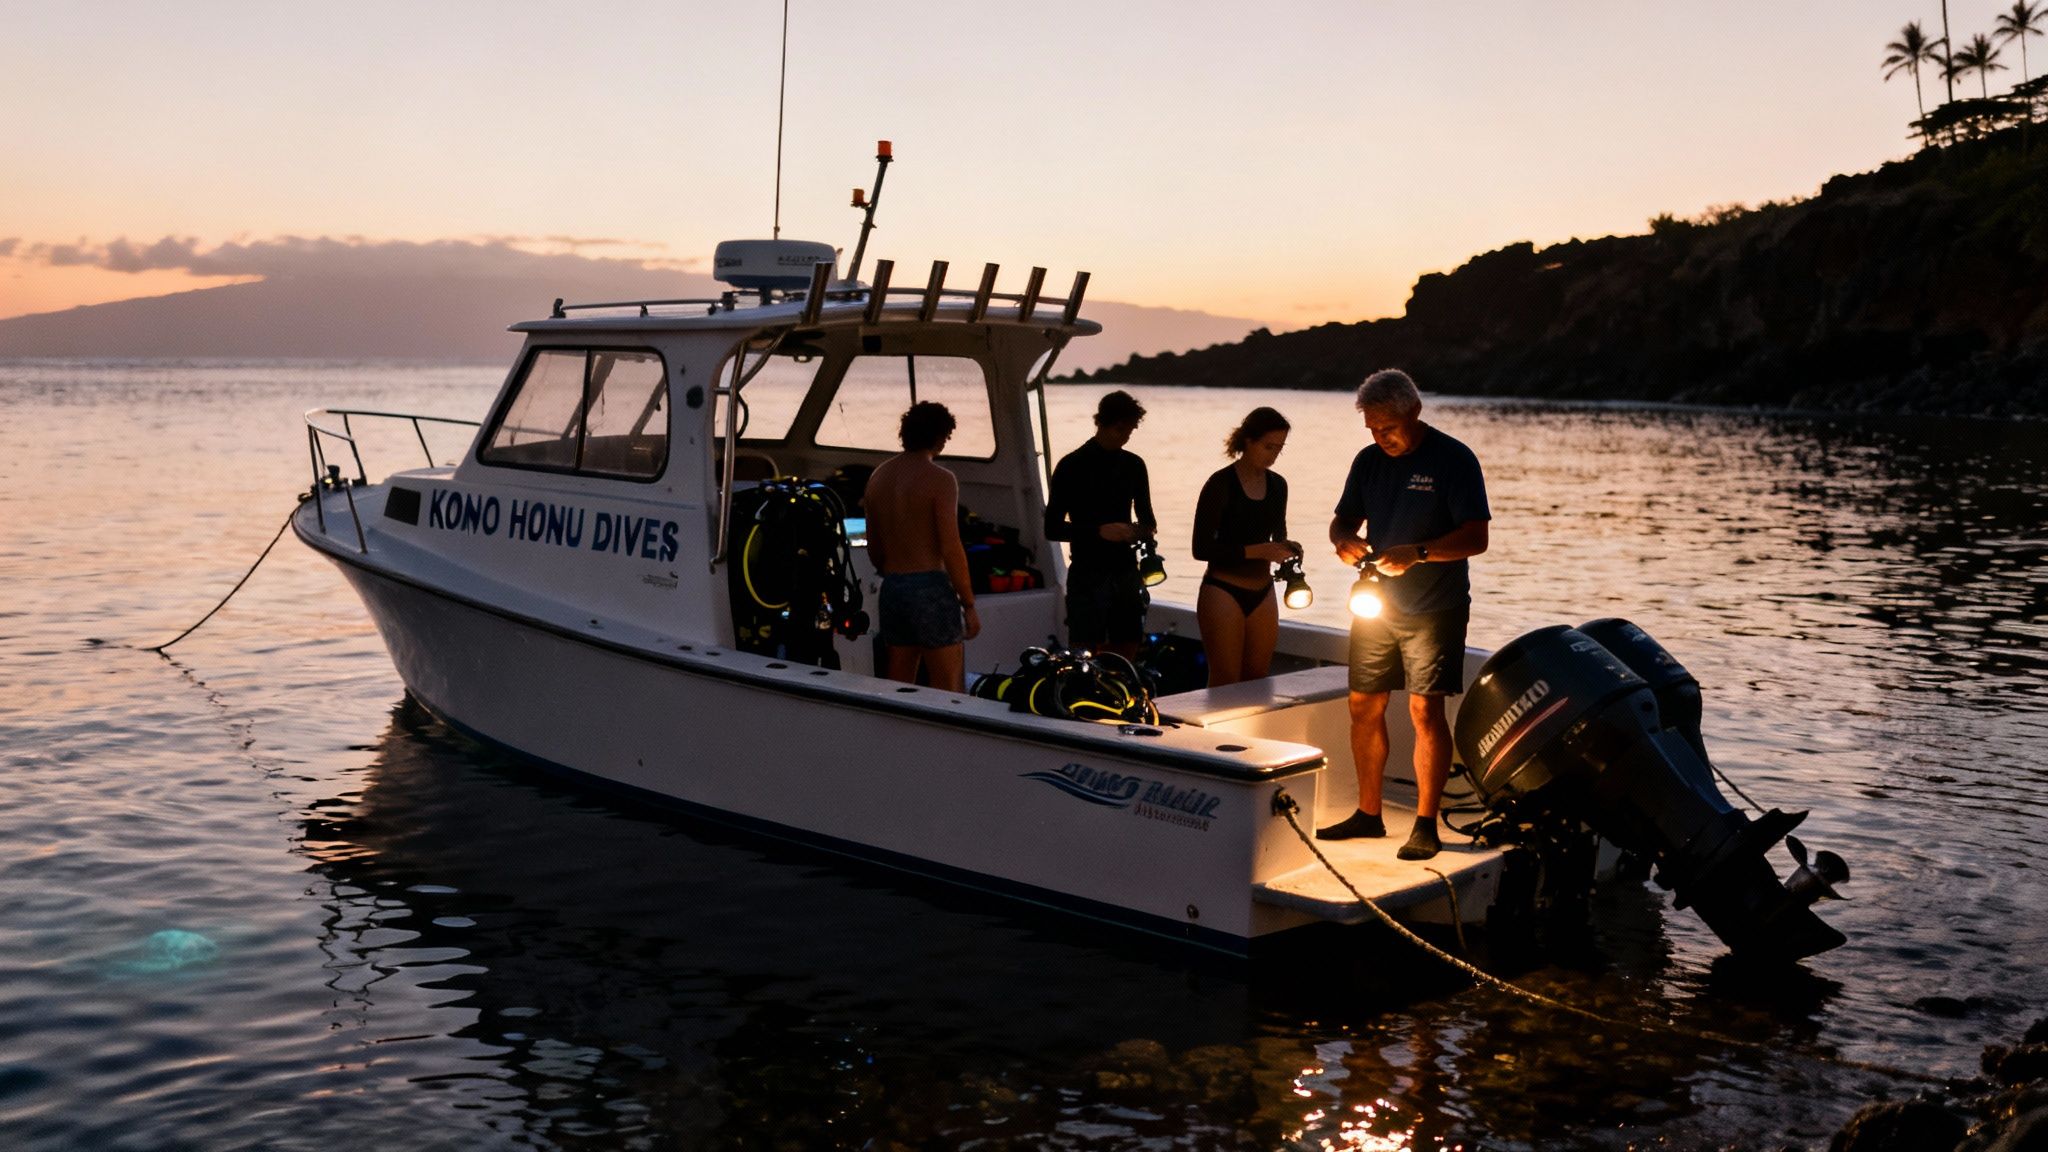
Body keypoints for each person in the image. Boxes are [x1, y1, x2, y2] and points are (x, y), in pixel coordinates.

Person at [1317, 369, 1490, 861]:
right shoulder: (1368, 461)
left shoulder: (1454, 459)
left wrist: (1417, 552)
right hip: (1376, 605)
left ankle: (1425, 823)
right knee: (1362, 705)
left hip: (1436, 607)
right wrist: (1342, 539)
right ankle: (1368, 815)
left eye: (1386, 427)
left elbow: (1476, 538)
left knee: (1424, 711)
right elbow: (1343, 518)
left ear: (1413, 413)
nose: (1379, 437)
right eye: (1371, 428)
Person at [864, 401, 981, 691]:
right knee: (948, 688)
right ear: (940, 437)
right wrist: (968, 604)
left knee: (899, 686)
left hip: (892, 589)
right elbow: (951, 546)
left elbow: (874, 548)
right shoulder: (941, 479)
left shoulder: (878, 477)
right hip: (930, 588)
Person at [1044, 390, 1157, 661]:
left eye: (1130, 431)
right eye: (1120, 429)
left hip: (1126, 572)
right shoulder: (1071, 466)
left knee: (1127, 648)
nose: (1125, 436)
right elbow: (1052, 528)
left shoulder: (1134, 465)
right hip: (1087, 574)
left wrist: (1134, 531)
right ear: (1101, 423)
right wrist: (1098, 531)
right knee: (1083, 652)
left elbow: (1149, 522)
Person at [1191, 407, 1299, 688]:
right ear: (1248, 441)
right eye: (1268, 446)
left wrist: (1287, 549)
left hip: (1263, 592)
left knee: (1257, 680)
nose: (1273, 455)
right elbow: (1201, 548)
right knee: (1226, 680)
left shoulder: (1279, 486)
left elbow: (1278, 535)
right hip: (1222, 590)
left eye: (1279, 448)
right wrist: (1257, 551)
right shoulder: (1220, 484)